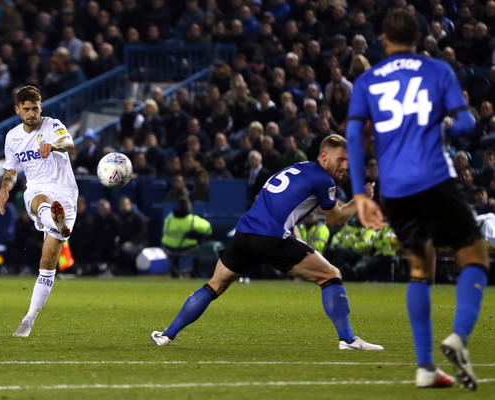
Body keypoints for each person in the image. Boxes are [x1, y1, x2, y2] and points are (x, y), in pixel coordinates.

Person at [345, 10, 489, 390]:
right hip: (434, 176)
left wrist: (360, 193)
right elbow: (467, 124)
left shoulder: (366, 81)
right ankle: (458, 335)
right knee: (474, 253)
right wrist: (443, 127)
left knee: (419, 267)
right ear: (420, 37)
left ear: (383, 39)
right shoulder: (438, 70)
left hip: (394, 188)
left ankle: (425, 367)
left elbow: (355, 137)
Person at [152, 134, 383, 352]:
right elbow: (334, 218)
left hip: (244, 234)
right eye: (340, 159)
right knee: (330, 275)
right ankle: (348, 339)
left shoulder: (298, 168)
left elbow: (281, 203)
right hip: (271, 238)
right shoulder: (324, 179)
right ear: (324, 156)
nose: (344, 166)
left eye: (347, 161)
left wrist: (297, 238)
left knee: (214, 286)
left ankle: (167, 334)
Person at [0, 85, 78, 338]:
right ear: (17, 110)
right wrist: (3, 190)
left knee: (47, 262)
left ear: (41, 107)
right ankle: (53, 219)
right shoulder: (12, 137)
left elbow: (69, 142)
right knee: (35, 196)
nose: (32, 113)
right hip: (38, 190)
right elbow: (11, 172)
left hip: (65, 193)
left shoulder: (53, 125)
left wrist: (53, 146)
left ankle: (29, 318)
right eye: (27, 109)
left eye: (36, 108)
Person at [161, 196, 212, 277]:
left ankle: (175, 272)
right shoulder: (192, 220)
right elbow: (208, 228)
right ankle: (194, 272)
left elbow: (164, 231)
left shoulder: (169, 219)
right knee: (202, 247)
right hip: (186, 249)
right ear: (188, 206)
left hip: (168, 249)